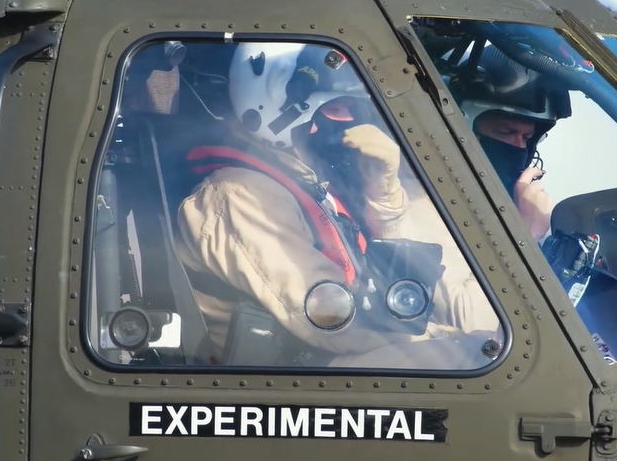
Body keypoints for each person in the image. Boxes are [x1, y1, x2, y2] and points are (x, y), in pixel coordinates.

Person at [174, 42, 503, 370]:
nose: (353, 121)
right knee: (481, 360)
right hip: (292, 372)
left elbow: (422, 287)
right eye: (337, 108)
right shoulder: (241, 194)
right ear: (279, 108)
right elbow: (328, 317)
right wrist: (449, 338)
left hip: (329, 355)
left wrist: (383, 194)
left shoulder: (315, 186)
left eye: (356, 109)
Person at [449, 44, 572, 242]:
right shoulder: (420, 189)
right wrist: (525, 235)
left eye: (527, 138)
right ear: (464, 126)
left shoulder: (524, 210)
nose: (519, 147)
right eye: (505, 132)